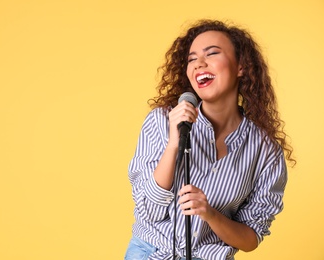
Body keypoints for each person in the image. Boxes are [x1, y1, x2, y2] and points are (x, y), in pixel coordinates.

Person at [124, 19, 295, 260]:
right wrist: (174, 144)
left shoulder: (265, 151)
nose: (198, 64)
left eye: (212, 53)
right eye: (191, 59)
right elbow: (148, 211)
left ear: (241, 67)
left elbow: (250, 239)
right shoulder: (163, 121)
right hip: (151, 253)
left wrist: (210, 214)